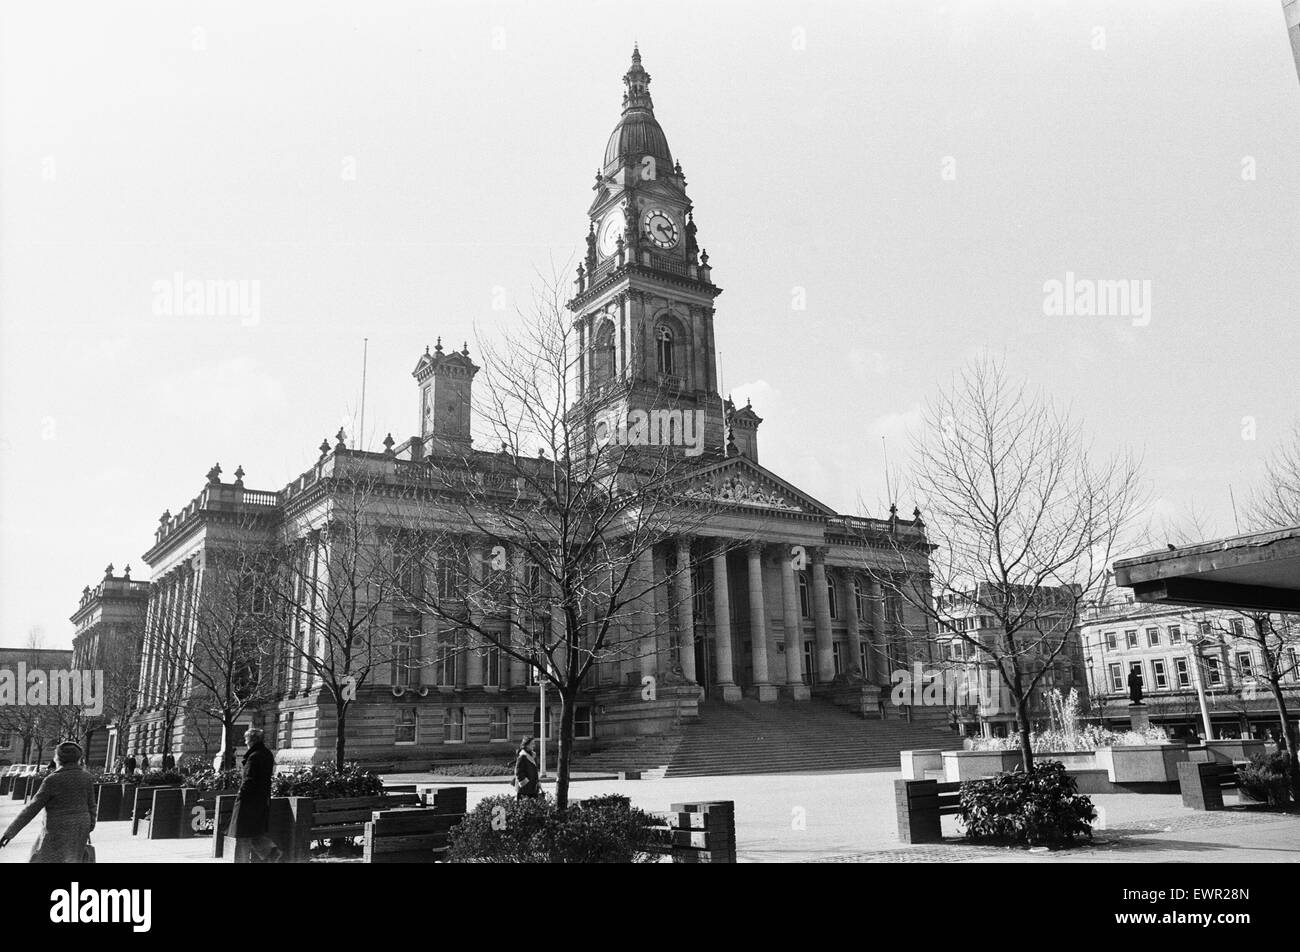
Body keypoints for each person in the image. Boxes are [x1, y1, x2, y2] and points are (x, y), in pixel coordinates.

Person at [0, 741, 96, 862]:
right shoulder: (86, 777)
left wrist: (9, 833)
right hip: (81, 826)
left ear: (58, 758)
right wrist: (89, 825)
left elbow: (31, 809)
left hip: (57, 828)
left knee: (42, 858)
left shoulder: (52, 780)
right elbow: (92, 805)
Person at [228, 727, 280, 862]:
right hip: (261, 799)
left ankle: (243, 860)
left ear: (251, 740)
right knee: (254, 832)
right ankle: (272, 851)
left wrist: (240, 794)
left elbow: (249, 780)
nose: (245, 742)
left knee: (242, 835)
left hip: (248, 801)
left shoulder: (253, 756)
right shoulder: (267, 754)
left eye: (246, 739)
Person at [514, 736, 540, 800]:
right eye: (532, 744)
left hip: (533, 787)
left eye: (534, 743)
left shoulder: (533, 755)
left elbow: (535, 771)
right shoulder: (522, 756)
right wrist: (525, 782)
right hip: (525, 789)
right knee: (525, 807)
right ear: (527, 745)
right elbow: (518, 771)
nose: (534, 745)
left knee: (533, 807)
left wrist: (538, 782)